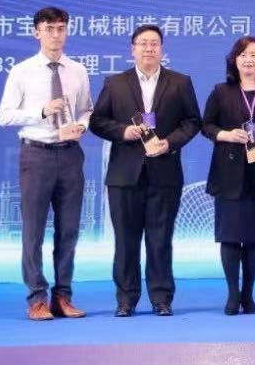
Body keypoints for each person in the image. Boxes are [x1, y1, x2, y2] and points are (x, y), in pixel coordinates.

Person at [91, 24, 202, 317]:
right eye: (143, 43)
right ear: (133, 49)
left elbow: (193, 121)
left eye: (154, 43)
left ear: (162, 49)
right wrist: (123, 131)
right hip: (124, 175)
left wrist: (170, 143)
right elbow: (97, 121)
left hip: (164, 173)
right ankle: (126, 300)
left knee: (160, 239)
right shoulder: (115, 83)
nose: (149, 48)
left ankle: (161, 298)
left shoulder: (179, 82)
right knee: (125, 241)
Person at [0, 6, 93, 321]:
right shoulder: (22, 71)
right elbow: (4, 116)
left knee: (69, 229)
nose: (56, 34)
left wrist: (81, 125)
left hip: (70, 154)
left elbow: (87, 109)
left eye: (61, 28)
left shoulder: (77, 70)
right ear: (36, 32)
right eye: (49, 28)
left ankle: (63, 296)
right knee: (33, 230)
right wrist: (41, 111)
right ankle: (37, 298)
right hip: (37, 154)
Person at [202, 36, 255, 315]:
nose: (248, 59)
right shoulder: (221, 91)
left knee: (254, 236)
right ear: (234, 60)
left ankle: (248, 294)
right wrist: (226, 135)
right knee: (229, 236)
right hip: (228, 173)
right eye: (243, 55)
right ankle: (232, 294)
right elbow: (206, 126)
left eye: (254, 54)